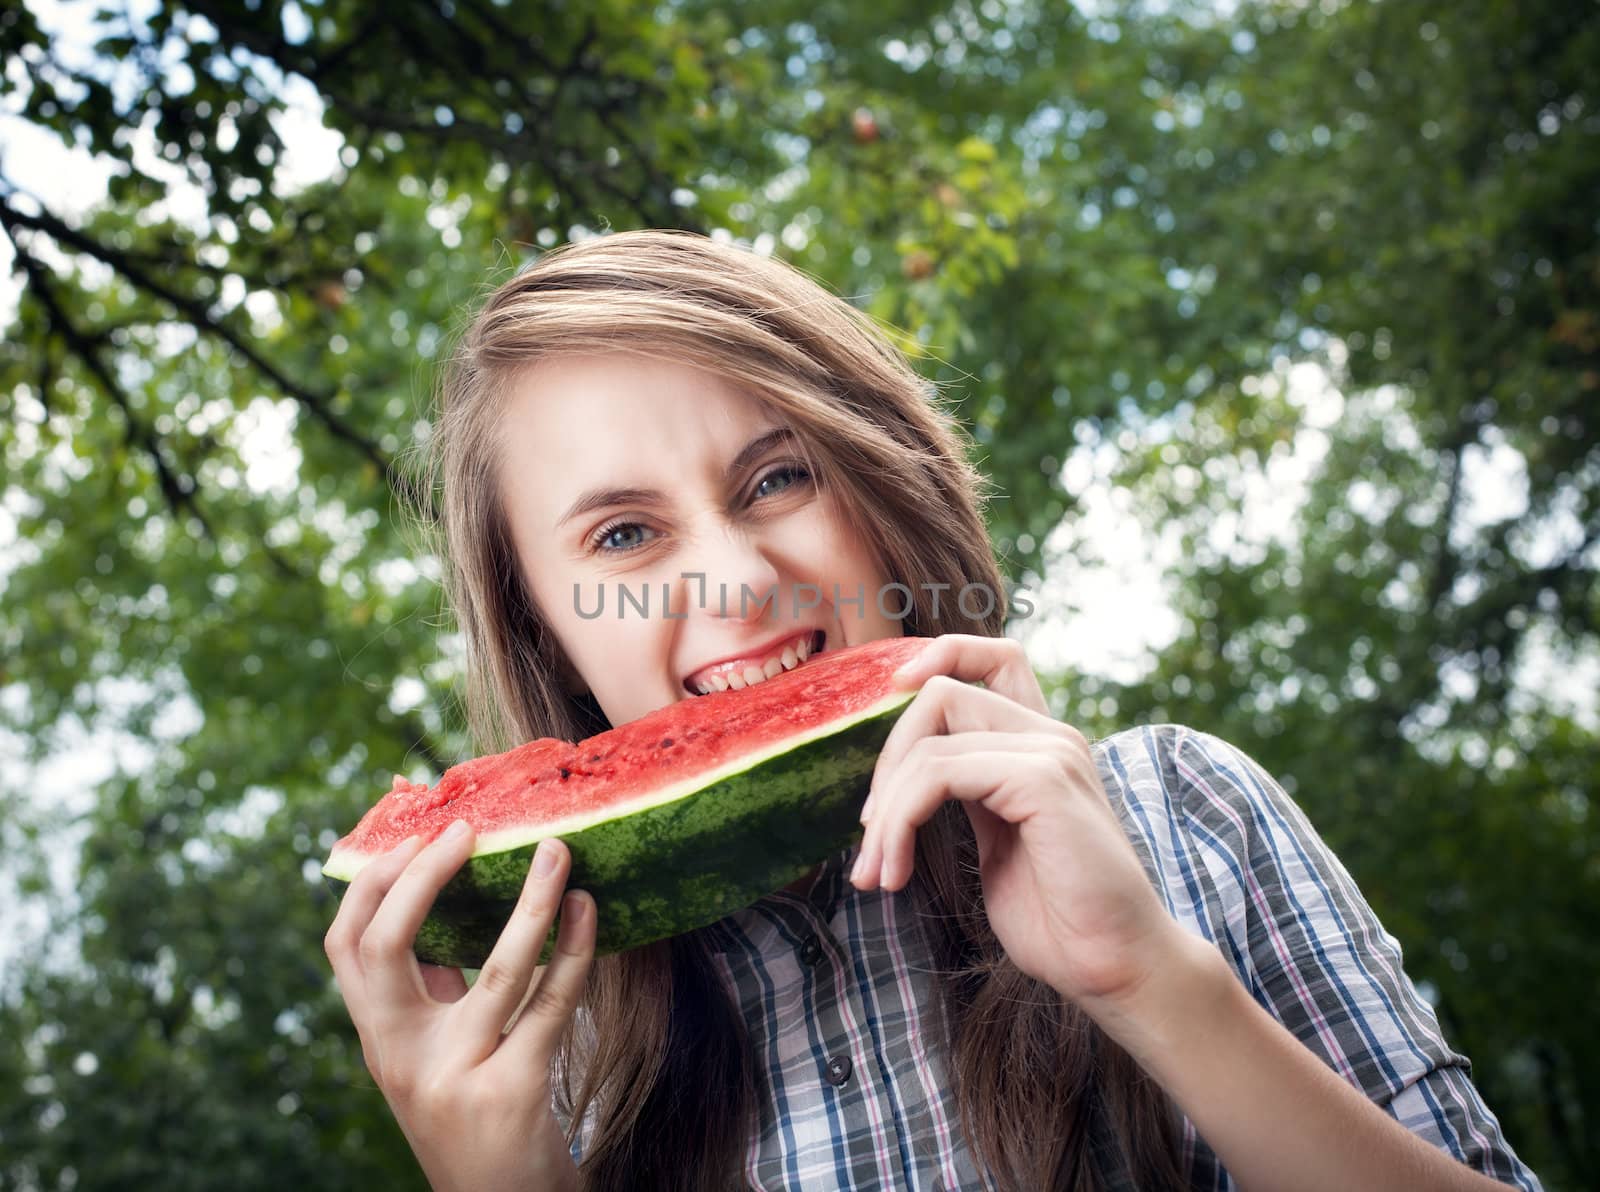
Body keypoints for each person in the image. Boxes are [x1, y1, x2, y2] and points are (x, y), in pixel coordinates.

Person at [323, 230, 1542, 1191]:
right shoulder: (541, 1043)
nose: (740, 580)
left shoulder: (1180, 813)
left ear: (879, 484)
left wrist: (1154, 984)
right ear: (546, 625)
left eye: (778, 475)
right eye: (625, 534)